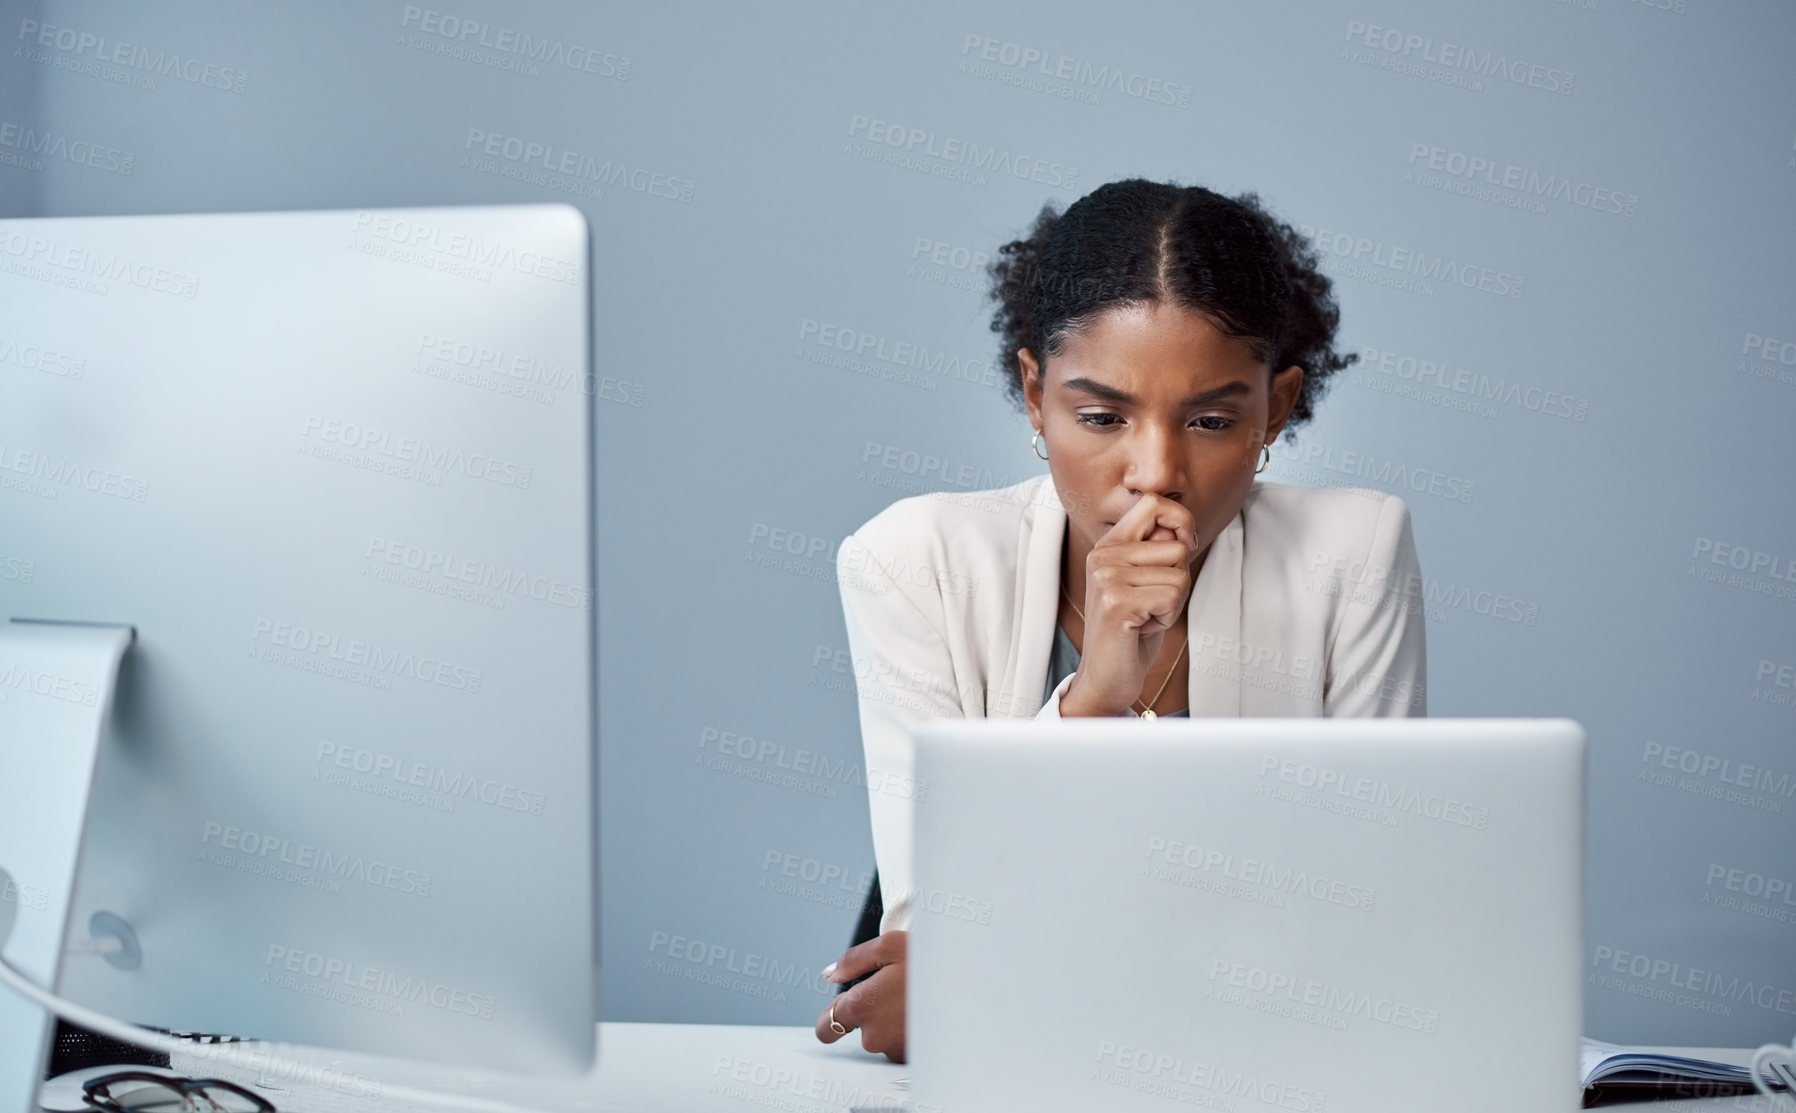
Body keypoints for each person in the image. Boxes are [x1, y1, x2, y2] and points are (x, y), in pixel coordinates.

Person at [813, 179, 1428, 1062]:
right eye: (1101, 416)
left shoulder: (1356, 554)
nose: (1155, 472)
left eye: (1213, 420)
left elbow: (1368, 928)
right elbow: (934, 927)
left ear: (1278, 409)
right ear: (1034, 393)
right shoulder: (913, 562)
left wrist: (993, 977)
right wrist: (1096, 695)